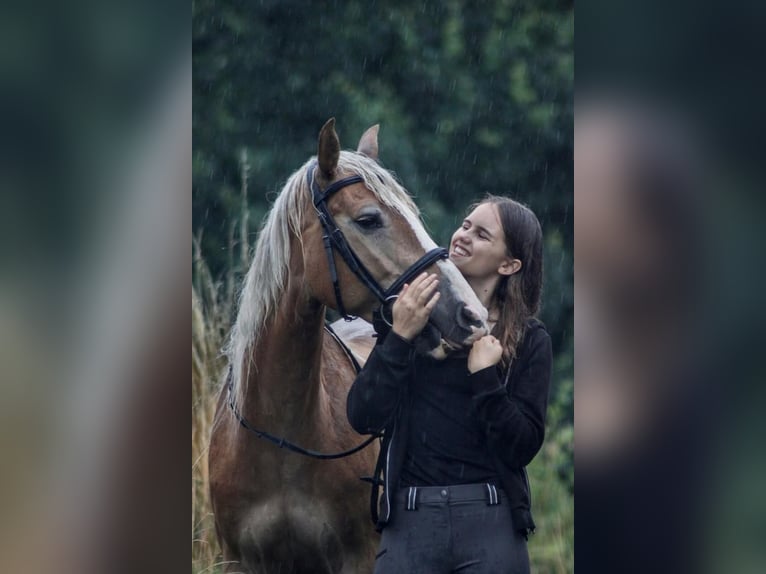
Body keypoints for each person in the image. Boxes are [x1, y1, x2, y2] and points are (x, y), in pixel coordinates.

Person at [347, 195, 552, 574]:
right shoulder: (409, 317)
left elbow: (521, 445)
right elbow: (363, 415)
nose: (462, 236)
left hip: (491, 525)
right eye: (465, 224)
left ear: (509, 264)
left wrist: (486, 378)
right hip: (409, 523)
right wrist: (399, 337)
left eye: (482, 235)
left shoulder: (528, 339)